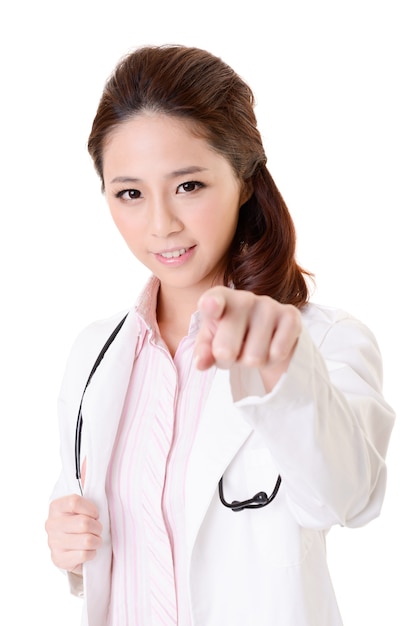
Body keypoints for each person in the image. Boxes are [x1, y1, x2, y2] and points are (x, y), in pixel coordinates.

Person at [45, 44, 395, 626]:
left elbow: (348, 497)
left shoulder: (325, 340)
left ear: (245, 178)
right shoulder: (94, 353)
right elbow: (99, 535)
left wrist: (286, 369)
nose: (161, 224)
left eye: (188, 186)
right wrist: (68, 549)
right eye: (130, 193)